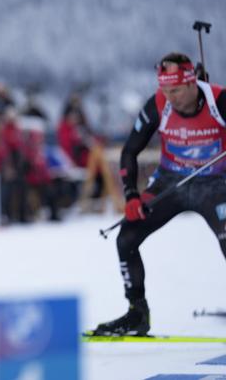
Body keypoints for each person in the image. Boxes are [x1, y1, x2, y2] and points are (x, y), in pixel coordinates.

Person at [92, 52, 226, 336]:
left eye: (176, 89)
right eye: (165, 89)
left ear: (192, 83)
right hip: (171, 183)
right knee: (126, 237)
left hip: (214, 184)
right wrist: (131, 196)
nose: (170, 96)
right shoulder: (158, 104)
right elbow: (130, 151)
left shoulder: (219, 101)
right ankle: (137, 314)